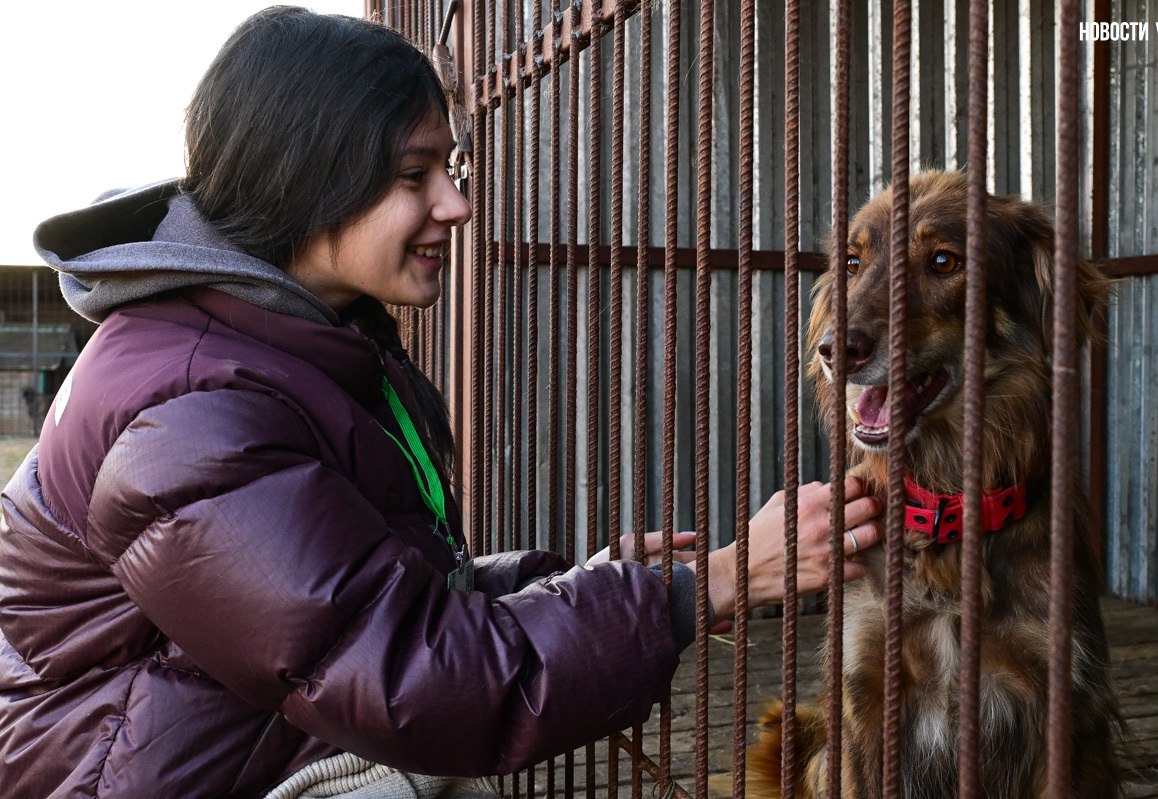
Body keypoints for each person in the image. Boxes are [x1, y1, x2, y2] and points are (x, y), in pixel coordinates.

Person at [0, 7, 883, 798]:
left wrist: (591, 586)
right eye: (414, 174)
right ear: (306, 175)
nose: (456, 205)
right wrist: (716, 581)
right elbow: (408, 681)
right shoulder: (195, 407)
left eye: (450, 167)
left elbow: (352, 601)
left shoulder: (294, 339)